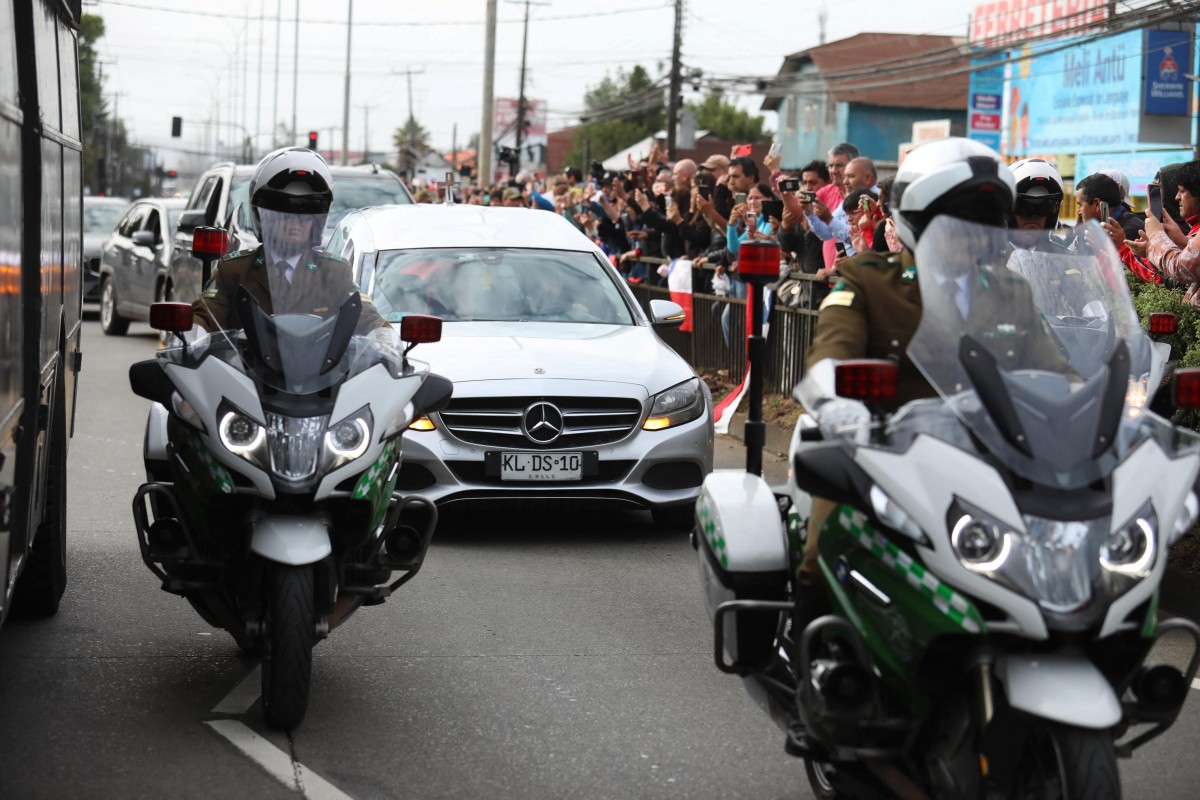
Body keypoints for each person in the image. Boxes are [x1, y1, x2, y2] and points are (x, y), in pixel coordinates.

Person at [191, 147, 388, 338]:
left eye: (306, 211)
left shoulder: (334, 273)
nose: (295, 221)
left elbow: (367, 316)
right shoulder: (235, 270)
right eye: (284, 212)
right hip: (244, 371)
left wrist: (384, 336)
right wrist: (191, 332)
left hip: (320, 371)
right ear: (263, 218)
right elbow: (206, 314)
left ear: (316, 221)